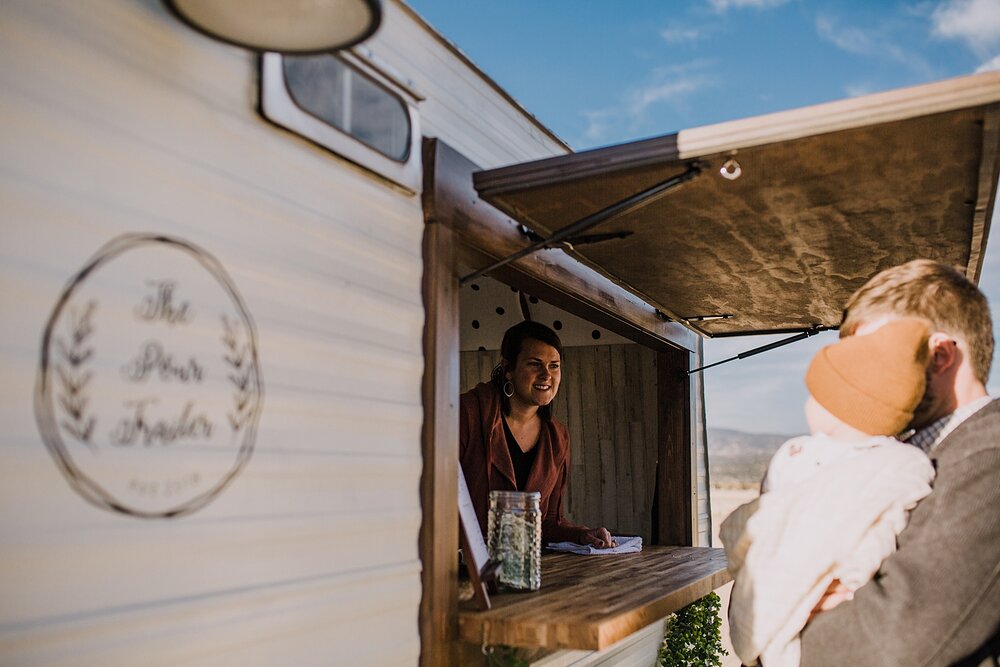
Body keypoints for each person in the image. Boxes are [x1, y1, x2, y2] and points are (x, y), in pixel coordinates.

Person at [796, 259, 1000, 666]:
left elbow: (892, 647)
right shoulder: (898, 456)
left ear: (939, 355)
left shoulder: (989, 457)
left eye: (869, 357)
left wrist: (784, 621)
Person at [721, 318, 937, 667]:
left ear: (838, 405)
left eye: (816, 393)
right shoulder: (905, 463)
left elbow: (756, 534)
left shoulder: (800, 458)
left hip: (807, 627)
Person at [460, 320, 614, 548]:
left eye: (554, 366)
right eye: (535, 364)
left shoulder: (557, 437)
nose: (546, 375)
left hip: (521, 568)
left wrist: (581, 535)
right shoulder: (467, 413)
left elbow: (549, 521)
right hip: (460, 567)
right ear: (508, 369)